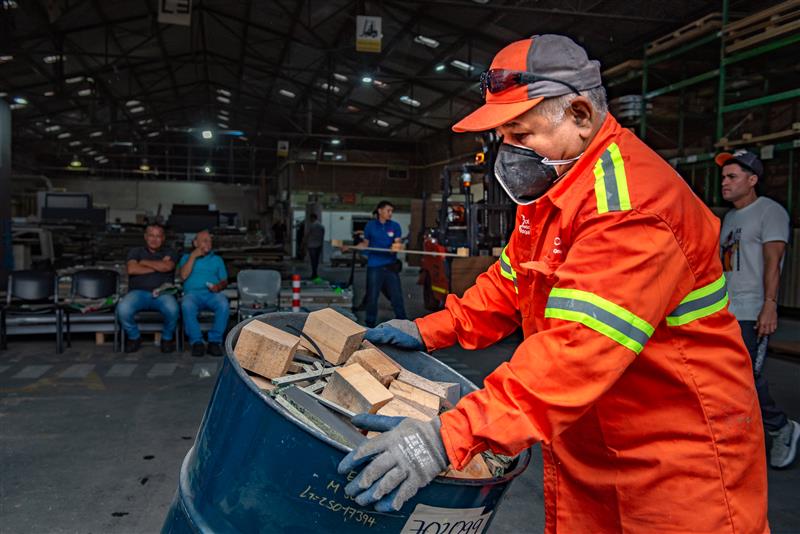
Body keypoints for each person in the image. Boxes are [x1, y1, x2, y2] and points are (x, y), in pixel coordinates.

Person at [339, 35, 767, 533]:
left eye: (521, 134)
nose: (509, 153)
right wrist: (431, 328)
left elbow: (574, 354)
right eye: (504, 136)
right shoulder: (555, 190)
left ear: (581, 113)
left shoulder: (630, 208)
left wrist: (445, 437)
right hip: (590, 440)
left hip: (674, 463)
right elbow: (511, 280)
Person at [717, 149, 798, 469]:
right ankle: (739, 439)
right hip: (726, 309)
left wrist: (769, 306)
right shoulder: (731, 218)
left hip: (752, 309)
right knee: (725, 377)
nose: (725, 182)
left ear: (752, 180)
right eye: (724, 177)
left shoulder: (770, 212)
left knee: (747, 376)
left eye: (732, 177)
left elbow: (772, 263)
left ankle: (781, 428)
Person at [117, 224, 179, 353]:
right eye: (151, 235)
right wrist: (159, 266)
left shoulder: (170, 252)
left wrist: (143, 262)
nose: (154, 239)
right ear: (145, 237)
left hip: (163, 293)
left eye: (158, 236)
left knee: (173, 309)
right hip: (137, 293)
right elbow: (132, 269)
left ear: (163, 238)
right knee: (123, 309)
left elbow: (167, 268)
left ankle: (167, 338)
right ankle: (134, 337)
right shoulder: (136, 251)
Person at [178, 230, 230, 357]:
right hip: (192, 295)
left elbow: (225, 281)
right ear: (195, 243)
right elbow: (183, 276)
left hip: (212, 294)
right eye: (205, 240)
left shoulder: (217, 259)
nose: (209, 243)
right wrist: (193, 256)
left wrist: (218, 286)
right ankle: (197, 342)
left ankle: (214, 341)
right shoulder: (186, 257)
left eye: (210, 241)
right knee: (186, 305)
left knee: (223, 303)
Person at [356, 201, 407, 328]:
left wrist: (397, 247)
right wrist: (352, 247)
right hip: (374, 266)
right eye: (388, 210)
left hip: (390, 266)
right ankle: (370, 324)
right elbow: (366, 244)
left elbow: (397, 243)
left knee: (396, 296)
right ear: (380, 211)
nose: (390, 213)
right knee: (372, 296)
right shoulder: (370, 226)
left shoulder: (395, 226)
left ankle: (403, 323)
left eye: (391, 211)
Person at [304, 213, 325, 281]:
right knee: (316, 260)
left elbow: (307, 235)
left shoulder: (312, 226)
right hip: (318, 245)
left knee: (313, 260)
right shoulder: (321, 226)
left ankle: (314, 273)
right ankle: (315, 273)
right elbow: (322, 237)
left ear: (313, 218)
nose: (310, 220)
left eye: (311, 218)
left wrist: (304, 243)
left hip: (312, 245)